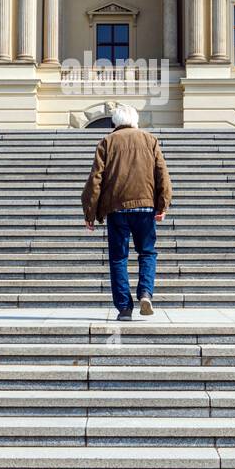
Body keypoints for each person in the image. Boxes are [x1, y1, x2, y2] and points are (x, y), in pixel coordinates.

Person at [81, 104, 173, 321]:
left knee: (118, 258)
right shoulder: (150, 140)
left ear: (115, 122)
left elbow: (96, 180)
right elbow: (162, 174)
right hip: (145, 207)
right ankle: (145, 293)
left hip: (117, 210)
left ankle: (124, 308)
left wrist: (89, 213)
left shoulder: (106, 142)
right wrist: (163, 205)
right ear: (135, 121)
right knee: (147, 252)